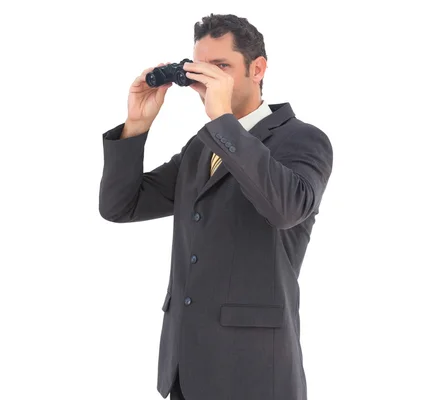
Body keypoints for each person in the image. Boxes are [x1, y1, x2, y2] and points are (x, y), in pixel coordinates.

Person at [98, 13, 333, 400]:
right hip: (185, 367)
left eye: (222, 67)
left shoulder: (303, 139)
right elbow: (122, 205)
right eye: (202, 69)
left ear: (257, 69)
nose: (209, 79)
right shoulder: (201, 147)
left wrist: (224, 120)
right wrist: (136, 125)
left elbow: (286, 209)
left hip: (254, 371)